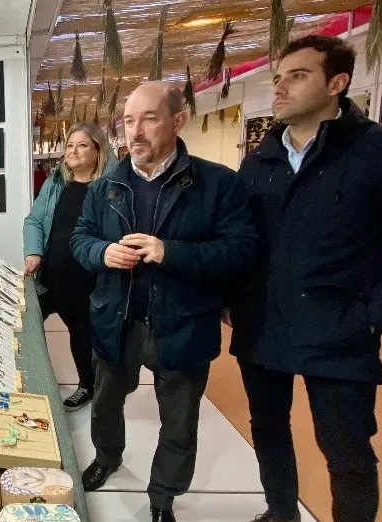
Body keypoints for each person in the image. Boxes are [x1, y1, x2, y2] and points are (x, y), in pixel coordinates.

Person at [230, 35, 382, 522]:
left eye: (297, 75)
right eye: (277, 78)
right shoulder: (260, 161)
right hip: (263, 325)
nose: (280, 87)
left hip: (338, 328)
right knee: (268, 429)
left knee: (346, 451)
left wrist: (371, 316)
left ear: (337, 82)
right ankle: (281, 512)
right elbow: (240, 242)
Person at [70, 82, 255, 522]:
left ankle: (163, 498)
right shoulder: (107, 185)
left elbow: (242, 249)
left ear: (177, 121)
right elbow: (81, 239)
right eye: (128, 120)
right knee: (106, 403)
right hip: (117, 319)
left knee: (178, 421)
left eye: (148, 118)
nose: (135, 131)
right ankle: (107, 457)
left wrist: (170, 252)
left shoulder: (217, 183)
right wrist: (102, 253)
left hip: (184, 323)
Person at [23, 123, 119, 412]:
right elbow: (34, 221)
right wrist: (33, 252)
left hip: (88, 278)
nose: (73, 151)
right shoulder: (56, 182)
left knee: (81, 332)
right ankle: (26, 383)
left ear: (98, 149)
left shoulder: (110, 187)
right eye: (69, 145)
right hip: (52, 273)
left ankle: (87, 386)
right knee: (26, 323)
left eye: (82, 145)